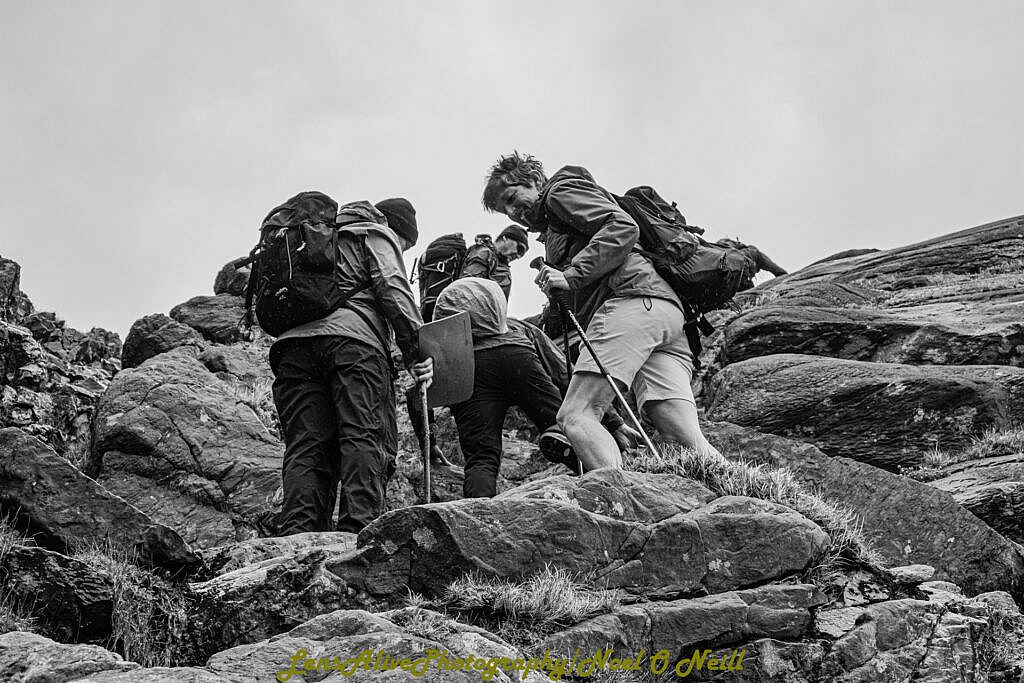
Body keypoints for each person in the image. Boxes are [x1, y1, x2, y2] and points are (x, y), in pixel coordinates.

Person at [482, 152, 722, 470]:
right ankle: (741, 498)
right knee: (677, 427)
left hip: (632, 302)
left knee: (576, 416)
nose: (514, 212)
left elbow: (622, 227)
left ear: (533, 180)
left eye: (513, 198)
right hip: (663, 311)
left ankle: (620, 502)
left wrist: (569, 274)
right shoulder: (558, 216)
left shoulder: (559, 193)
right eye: (506, 211)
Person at [269, 197, 433, 534]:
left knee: (307, 444)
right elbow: (393, 288)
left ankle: (297, 539)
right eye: (404, 244)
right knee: (364, 435)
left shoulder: (309, 238)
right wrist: (417, 352)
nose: (402, 250)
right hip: (353, 347)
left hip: (293, 349)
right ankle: (359, 536)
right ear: (393, 226)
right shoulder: (372, 231)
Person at [432, 277, 574, 497]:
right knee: (565, 426)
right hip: (519, 358)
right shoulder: (519, 326)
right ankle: (598, 477)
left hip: (473, 369)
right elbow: (563, 370)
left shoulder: (448, 346)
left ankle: (478, 520)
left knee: (481, 458)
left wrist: (429, 443)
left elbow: (419, 393)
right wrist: (611, 421)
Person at [459, 224, 530, 299]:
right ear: (505, 238)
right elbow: (467, 288)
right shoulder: (484, 252)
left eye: (522, 254)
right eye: (520, 249)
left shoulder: (505, 273)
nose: (518, 256)